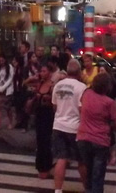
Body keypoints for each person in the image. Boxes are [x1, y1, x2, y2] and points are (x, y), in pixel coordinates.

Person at [77, 72, 116, 193]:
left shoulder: (87, 94)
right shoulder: (109, 102)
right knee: (98, 175)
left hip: (83, 137)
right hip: (100, 140)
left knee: (89, 171)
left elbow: (80, 108)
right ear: (108, 87)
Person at [51, 59, 87, 193]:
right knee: (81, 160)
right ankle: (87, 188)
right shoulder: (81, 87)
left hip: (58, 125)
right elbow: (82, 109)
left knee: (61, 158)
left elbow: (54, 106)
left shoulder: (58, 86)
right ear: (79, 71)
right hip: (75, 127)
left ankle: (58, 190)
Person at [24, 63, 56, 178]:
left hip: (48, 115)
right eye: (41, 71)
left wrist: (49, 100)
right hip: (39, 114)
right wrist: (33, 77)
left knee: (46, 141)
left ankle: (46, 166)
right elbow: (25, 84)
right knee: (40, 140)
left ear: (50, 73)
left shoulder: (53, 86)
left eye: (44, 71)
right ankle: (41, 166)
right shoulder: (39, 83)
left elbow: (55, 103)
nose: (42, 73)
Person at [0, 53, 15, 131]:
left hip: (7, 90)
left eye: (2, 60)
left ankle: (10, 122)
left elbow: (10, 78)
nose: (1, 61)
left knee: (8, 108)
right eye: (0, 60)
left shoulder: (10, 67)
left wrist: (4, 87)